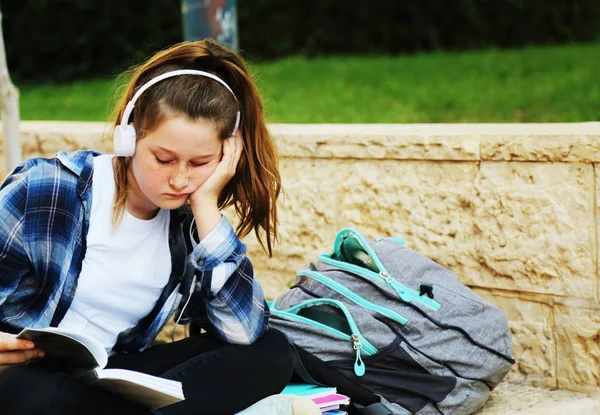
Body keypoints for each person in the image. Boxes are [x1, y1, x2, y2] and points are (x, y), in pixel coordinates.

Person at [0, 39, 319, 415]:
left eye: (200, 163)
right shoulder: (46, 189)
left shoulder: (189, 227)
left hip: (105, 379)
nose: (180, 179)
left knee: (272, 351)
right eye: (164, 159)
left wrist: (206, 207)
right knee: (29, 395)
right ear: (129, 136)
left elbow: (243, 330)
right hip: (22, 375)